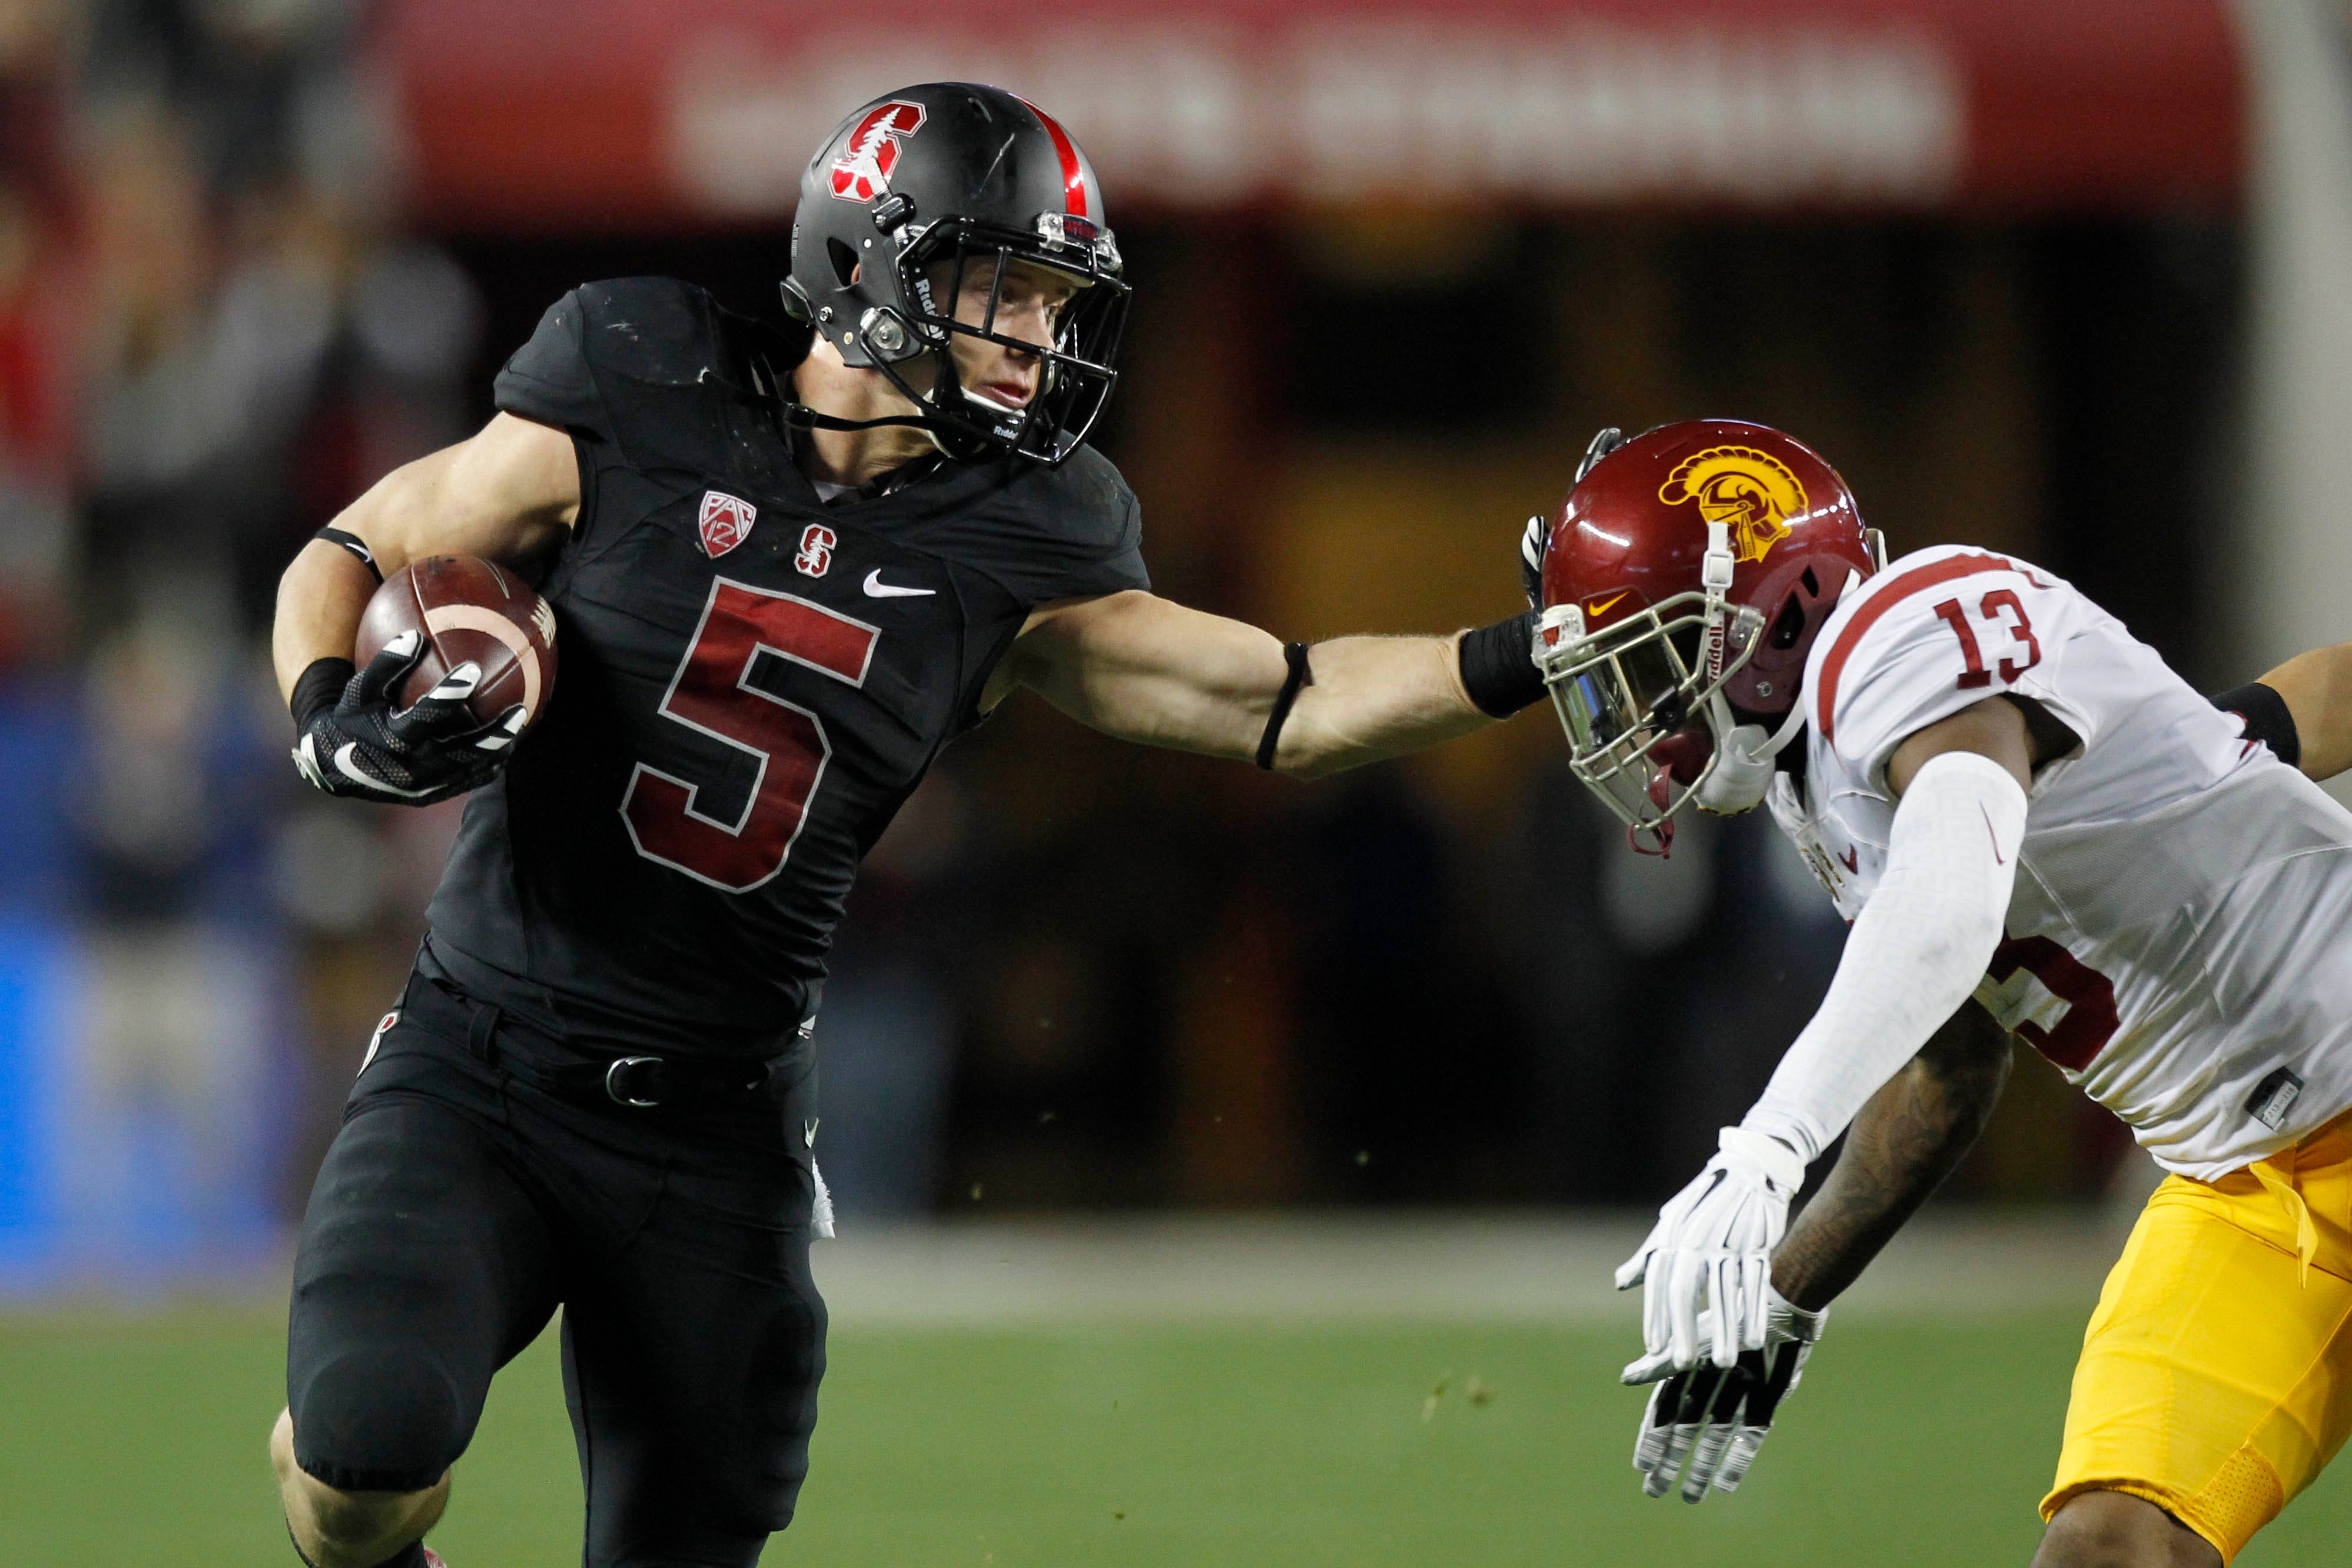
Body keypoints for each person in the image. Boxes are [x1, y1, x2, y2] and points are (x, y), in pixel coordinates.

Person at [263, 83, 1552, 1568]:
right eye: (995, 287)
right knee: (360, 1455)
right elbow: (367, 540)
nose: (1031, 336)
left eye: (1050, 299)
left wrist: (1515, 657)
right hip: (482, 1058)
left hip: (716, 1128)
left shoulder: (1023, 535)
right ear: (870, 265)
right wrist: (326, 712)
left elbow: (1291, 697)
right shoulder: (642, 379)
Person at [1527, 418, 2352, 1566]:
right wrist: (1786, 1296)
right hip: (2245, 1189)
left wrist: (1770, 1144)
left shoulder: (1901, 627)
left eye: (1657, 665)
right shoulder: (1818, 780)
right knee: (2107, 1550)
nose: (1643, 720)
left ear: (1776, 612)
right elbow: (1953, 1061)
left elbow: (1957, 893)